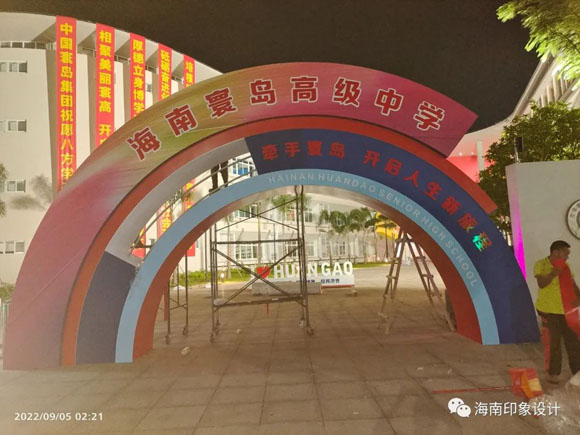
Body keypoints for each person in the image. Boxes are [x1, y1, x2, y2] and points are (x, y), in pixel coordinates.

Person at [534, 240, 580, 383]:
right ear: (556, 252)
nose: (567, 256)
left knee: (573, 342)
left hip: (567, 311)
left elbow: (573, 285)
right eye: (566, 253)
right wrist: (554, 273)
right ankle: (553, 373)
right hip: (548, 311)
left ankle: (577, 372)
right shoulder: (541, 264)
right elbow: (541, 284)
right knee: (553, 344)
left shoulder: (566, 266)